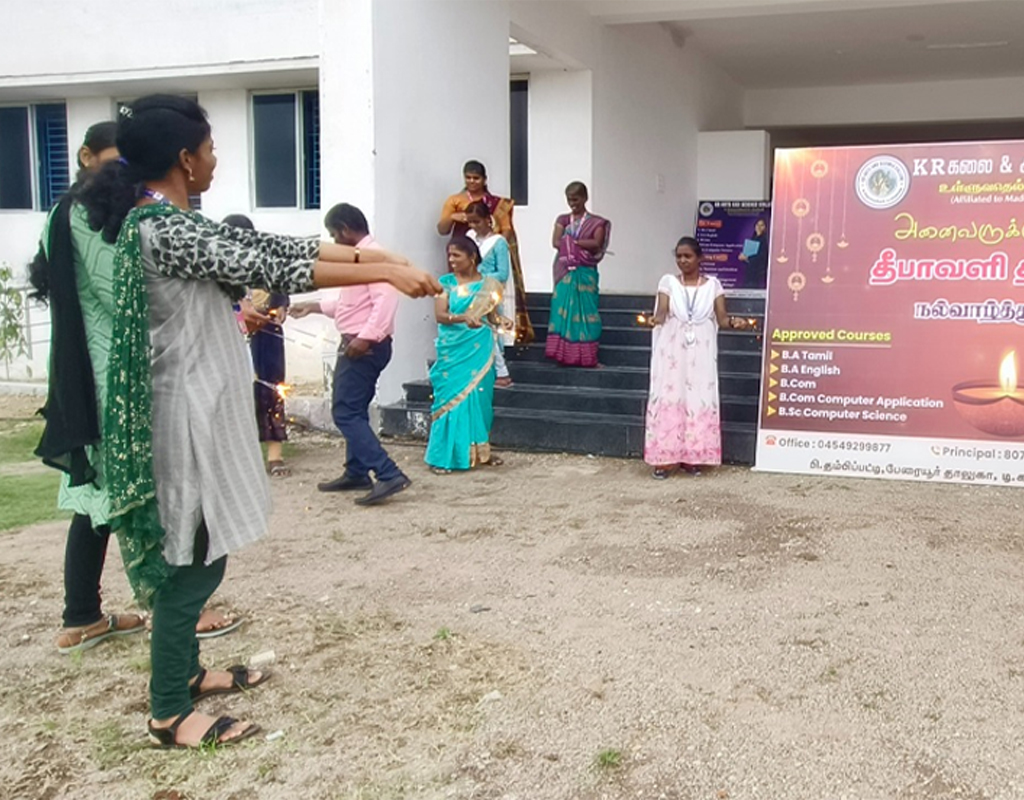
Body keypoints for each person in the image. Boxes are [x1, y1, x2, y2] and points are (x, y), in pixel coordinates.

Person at [77, 94, 439, 750]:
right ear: (185, 160)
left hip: (200, 407)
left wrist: (384, 265)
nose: (215, 159)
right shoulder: (164, 231)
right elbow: (268, 263)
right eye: (210, 149)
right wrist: (385, 269)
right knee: (192, 559)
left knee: (202, 547)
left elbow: (265, 246)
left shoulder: (170, 223)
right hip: (182, 417)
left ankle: (187, 674)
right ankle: (167, 711)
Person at [29, 122, 238, 653]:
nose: (129, 173)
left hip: (92, 372)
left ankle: (82, 615)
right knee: (151, 492)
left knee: (98, 495)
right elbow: (125, 292)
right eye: (119, 162)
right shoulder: (86, 214)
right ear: (86, 157)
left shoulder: (70, 212)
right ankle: (179, 612)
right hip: (115, 377)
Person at [291, 203, 410, 505]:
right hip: (360, 341)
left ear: (345, 230)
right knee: (354, 409)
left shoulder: (373, 258)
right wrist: (313, 306)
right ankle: (356, 471)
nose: (334, 242)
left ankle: (388, 473)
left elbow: (386, 301)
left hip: (364, 345)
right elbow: (351, 303)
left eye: (334, 235)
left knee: (344, 412)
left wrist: (365, 338)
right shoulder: (361, 258)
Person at [643, 237, 749, 479]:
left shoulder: (713, 286)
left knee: (698, 398)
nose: (683, 261)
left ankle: (693, 456)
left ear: (699, 258)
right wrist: (653, 320)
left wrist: (736, 322)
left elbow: (722, 319)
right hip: (672, 352)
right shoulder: (668, 282)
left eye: (688, 256)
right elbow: (661, 312)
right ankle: (665, 458)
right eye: (679, 256)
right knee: (671, 396)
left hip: (701, 351)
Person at [425, 237, 504, 473]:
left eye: (456, 255)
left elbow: (491, 316)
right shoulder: (445, 284)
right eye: (449, 255)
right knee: (449, 399)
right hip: (454, 350)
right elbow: (440, 315)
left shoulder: (489, 285)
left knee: (480, 398)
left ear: (472, 257)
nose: (451, 260)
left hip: (480, 349)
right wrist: (463, 318)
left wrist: (503, 322)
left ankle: (480, 452)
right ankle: (443, 457)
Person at [222, 214, 291, 478]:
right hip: (229, 336)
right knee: (232, 393)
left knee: (270, 390)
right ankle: (236, 455)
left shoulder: (266, 262)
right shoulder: (217, 263)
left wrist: (280, 305)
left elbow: (280, 291)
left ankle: (275, 456)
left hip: (266, 334)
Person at [437, 160, 534, 344]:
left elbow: (506, 231)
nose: (472, 181)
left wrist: (494, 243)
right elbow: (442, 229)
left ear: (484, 179)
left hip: (487, 281)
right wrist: (453, 217)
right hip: (463, 264)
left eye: (476, 178)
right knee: (460, 311)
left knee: (488, 325)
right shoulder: (455, 201)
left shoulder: (497, 210)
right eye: (468, 178)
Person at [545, 181, 611, 368]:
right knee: (561, 310)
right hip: (564, 269)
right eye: (569, 200)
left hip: (585, 270)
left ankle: (588, 357)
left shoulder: (597, 222)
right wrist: (578, 243)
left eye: (576, 199)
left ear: (585, 198)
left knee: (587, 312)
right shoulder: (563, 219)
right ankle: (563, 355)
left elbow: (596, 243)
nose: (572, 203)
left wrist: (572, 242)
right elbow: (556, 242)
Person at [465, 200, 513, 388]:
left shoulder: (498, 242)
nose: (473, 226)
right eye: (470, 222)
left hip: (489, 292)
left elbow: (503, 273)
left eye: (477, 221)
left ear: (488, 219)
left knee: (488, 330)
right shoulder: (469, 238)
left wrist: (479, 277)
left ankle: (501, 371)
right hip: (470, 290)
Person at [738, 217, 769, 289]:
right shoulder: (753, 238)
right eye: (757, 225)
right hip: (749, 271)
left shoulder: (765, 240)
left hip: (757, 273)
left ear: (765, 228)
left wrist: (747, 258)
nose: (759, 227)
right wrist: (743, 256)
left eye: (761, 225)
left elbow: (762, 256)